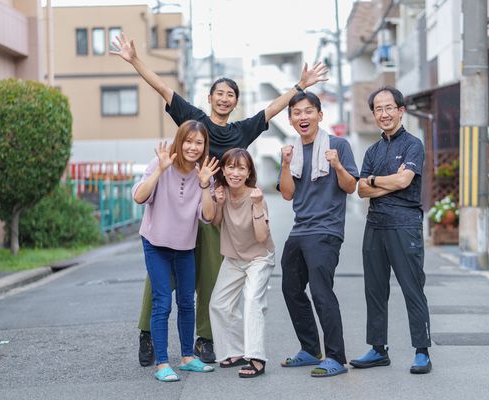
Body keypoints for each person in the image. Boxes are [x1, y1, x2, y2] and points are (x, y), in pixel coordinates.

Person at [111, 32, 328, 366]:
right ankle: (146, 334)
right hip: (178, 209)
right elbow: (162, 88)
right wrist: (135, 60)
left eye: (231, 95)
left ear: (235, 102)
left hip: (213, 210)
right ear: (210, 97)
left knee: (210, 275)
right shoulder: (193, 120)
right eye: (220, 93)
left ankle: (204, 339)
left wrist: (300, 86)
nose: (225, 99)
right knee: (161, 278)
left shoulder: (241, 130)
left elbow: (271, 109)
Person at [349, 86, 432, 374]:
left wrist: (374, 182)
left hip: (405, 224)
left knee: (412, 289)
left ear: (400, 110)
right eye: (378, 109)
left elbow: (404, 181)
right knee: (374, 289)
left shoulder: (413, 144)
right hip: (375, 226)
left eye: (389, 108)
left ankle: (422, 351)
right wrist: (380, 181)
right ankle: (378, 348)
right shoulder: (372, 150)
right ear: (374, 114)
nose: (383, 114)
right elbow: (360, 190)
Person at [278, 91, 359, 378]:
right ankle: (311, 349)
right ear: (290, 119)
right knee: (290, 288)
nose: (303, 117)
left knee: (322, 292)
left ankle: (336, 357)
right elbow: (287, 194)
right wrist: (285, 164)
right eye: (297, 113)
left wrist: (336, 165)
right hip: (300, 229)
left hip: (326, 230)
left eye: (308, 111)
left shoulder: (338, 145)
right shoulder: (293, 152)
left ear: (320, 115)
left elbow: (351, 187)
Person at [132, 120, 219, 382]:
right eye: (188, 141)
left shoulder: (204, 174)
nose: (193, 147)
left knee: (186, 302)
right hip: (156, 243)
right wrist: (160, 170)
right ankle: (161, 363)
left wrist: (205, 185)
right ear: (179, 142)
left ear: (204, 147)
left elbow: (207, 216)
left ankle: (187, 357)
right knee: (162, 303)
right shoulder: (160, 163)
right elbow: (139, 196)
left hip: (184, 246)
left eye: (198, 142)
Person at [208, 148, 275, 379]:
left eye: (241, 168)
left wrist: (257, 205)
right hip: (234, 258)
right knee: (219, 304)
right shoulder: (222, 192)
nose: (235, 173)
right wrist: (218, 203)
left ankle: (256, 357)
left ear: (249, 173)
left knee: (252, 301)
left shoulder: (256, 195)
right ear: (224, 170)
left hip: (259, 257)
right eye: (231, 167)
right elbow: (216, 222)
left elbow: (261, 238)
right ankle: (234, 351)